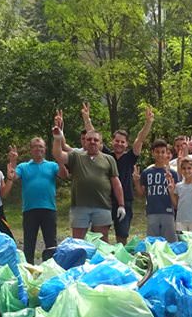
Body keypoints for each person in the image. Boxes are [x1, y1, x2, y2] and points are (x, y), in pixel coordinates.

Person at [81, 103, 153, 244]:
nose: (119, 144)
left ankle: (120, 262)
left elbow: (140, 139)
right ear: (112, 141)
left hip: (125, 200)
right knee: (101, 235)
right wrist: (86, 118)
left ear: (126, 144)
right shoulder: (106, 155)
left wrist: (148, 123)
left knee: (122, 235)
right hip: (105, 200)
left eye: (122, 142)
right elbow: (93, 136)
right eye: (117, 141)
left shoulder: (130, 157)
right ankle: (104, 260)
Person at [51, 110, 126, 242]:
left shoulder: (109, 159)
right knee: (78, 242)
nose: (92, 142)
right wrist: (57, 138)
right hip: (80, 207)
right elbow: (58, 155)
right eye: (89, 139)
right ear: (84, 142)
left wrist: (121, 205)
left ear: (100, 143)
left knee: (102, 243)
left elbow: (116, 183)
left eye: (96, 140)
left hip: (102, 206)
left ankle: (101, 263)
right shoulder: (76, 156)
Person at [6, 138, 66, 263]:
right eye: (35, 146)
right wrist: (13, 161)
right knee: (29, 243)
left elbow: (64, 175)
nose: (38, 149)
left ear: (45, 149)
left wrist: (60, 160)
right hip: (30, 210)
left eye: (40, 146)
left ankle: (51, 268)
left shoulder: (52, 165)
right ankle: (29, 269)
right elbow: (13, 176)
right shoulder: (23, 167)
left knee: (51, 243)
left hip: (49, 209)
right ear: (30, 150)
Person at [134, 139, 180, 242]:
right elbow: (141, 194)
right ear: (153, 153)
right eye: (157, 152)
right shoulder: (147, 173)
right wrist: (136, 182)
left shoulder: (173, 173)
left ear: (166, 153)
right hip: (152, 211)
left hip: (167, 211)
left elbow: (176, 198)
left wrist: (171, 189)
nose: (160, 155)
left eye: (163, 152)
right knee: (153, 241)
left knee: (170, 241)